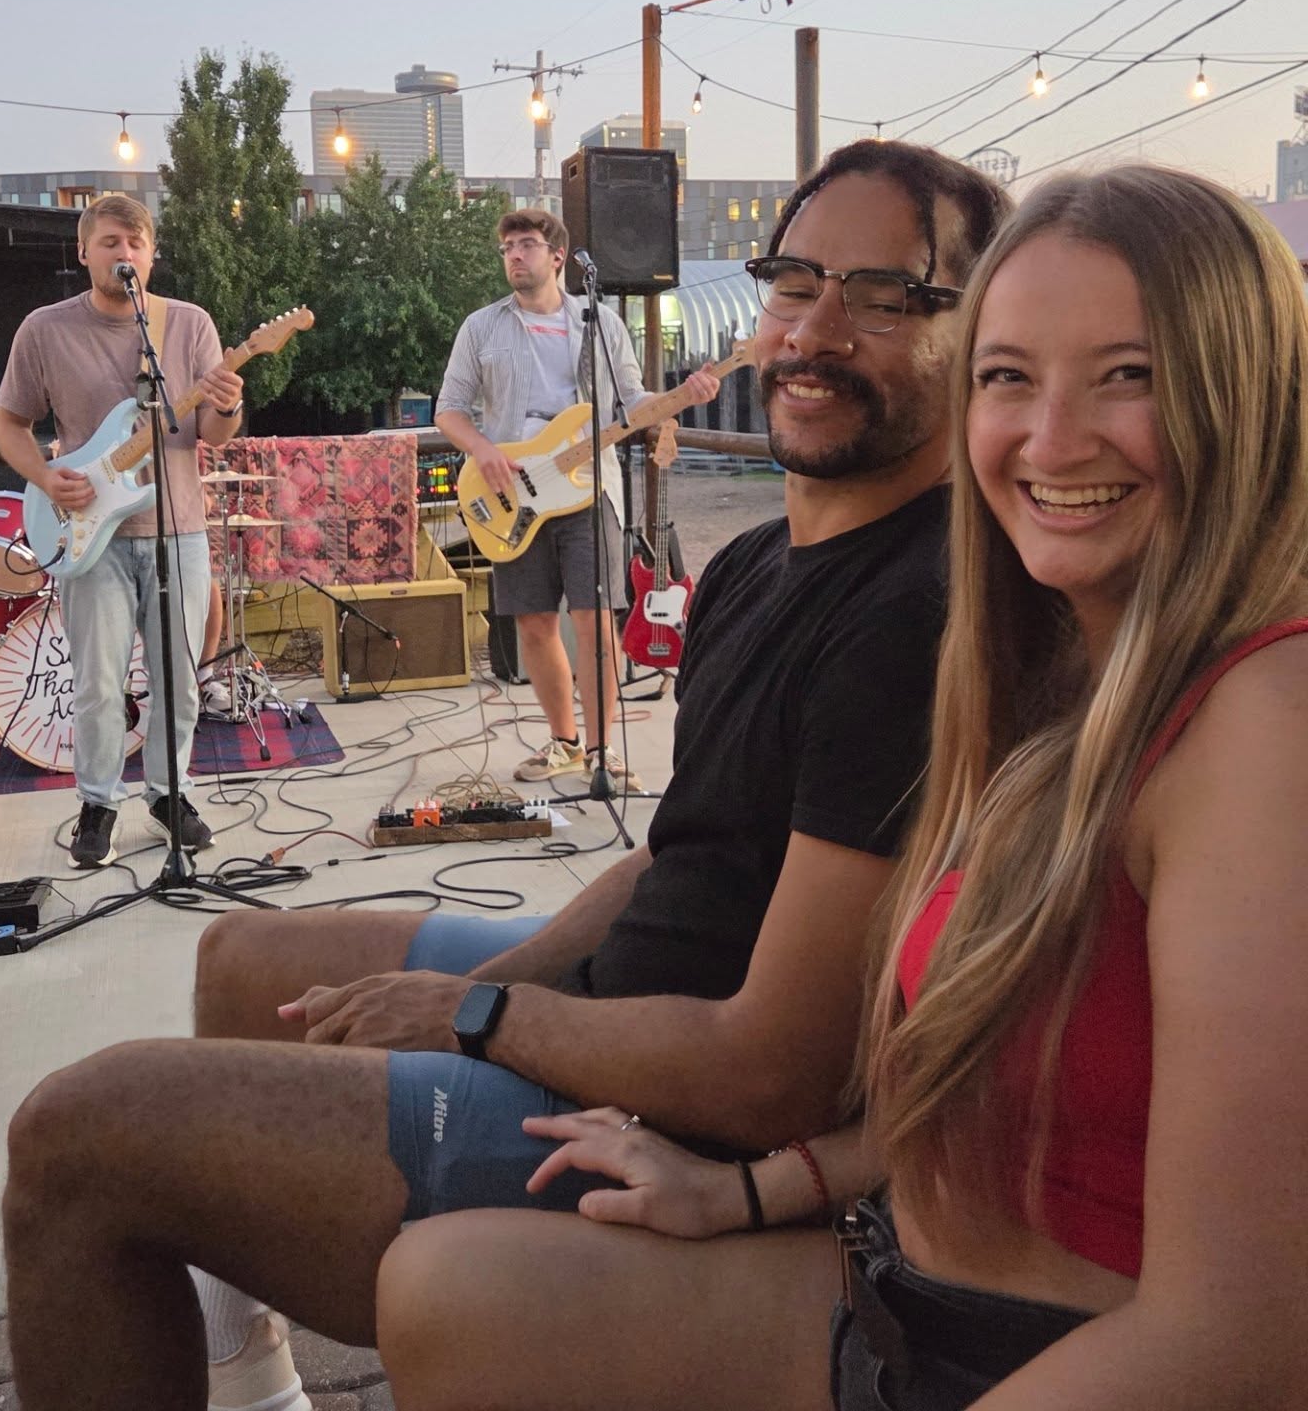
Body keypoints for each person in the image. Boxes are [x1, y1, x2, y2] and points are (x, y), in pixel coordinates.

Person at [0, 143, 1010, 1411]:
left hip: (671, 1117)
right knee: (240, 966)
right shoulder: (756, 566)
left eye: (882, 294)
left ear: (976, 333)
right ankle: (247, 1378)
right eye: (795, 281)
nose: (815, 329)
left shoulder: (921, 616)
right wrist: (493, 981)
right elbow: (678, 854)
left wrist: (482, 1021)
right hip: (619, 994)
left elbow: (773, 1078)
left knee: (75, 1135)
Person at [373, 164, 1308, 1411]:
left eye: (1127, 375)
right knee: (442, 1295)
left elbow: (1244, 1341)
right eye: (1010, 376)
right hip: (894, 1280)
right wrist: (752, 1191)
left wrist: (475, 1014)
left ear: (1245, 394)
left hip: (1008, 1355)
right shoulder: (1065, 675)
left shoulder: (1261, 727)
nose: (1053, 436)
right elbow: (970, 1075)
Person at [0, 193, 243, 866]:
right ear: (83, 252)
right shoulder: (44, 330)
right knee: (100, 685)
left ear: (152, 254)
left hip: (178, 531)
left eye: (135, 244)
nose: (123, 254)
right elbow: (9, 425)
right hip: (88, 536)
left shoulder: (187, 325)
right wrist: (47, 481)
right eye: (109, 243)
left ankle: (169, 793)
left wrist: (229, 402)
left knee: (179, 681)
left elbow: (211, 436)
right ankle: (98, 803)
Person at [435, 207, 719, 791]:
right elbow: (449, 409)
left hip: (590, 489)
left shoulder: (599, 323)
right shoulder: (481, 328)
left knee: (595, 622)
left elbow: (633, 403)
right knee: (535, 622)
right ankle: (564, 742)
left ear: (559, 256)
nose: (515, 254)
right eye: (508, 246)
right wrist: (484, 450)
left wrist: (681, 397)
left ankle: (603, 751)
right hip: (513, 491)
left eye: (528, 244)